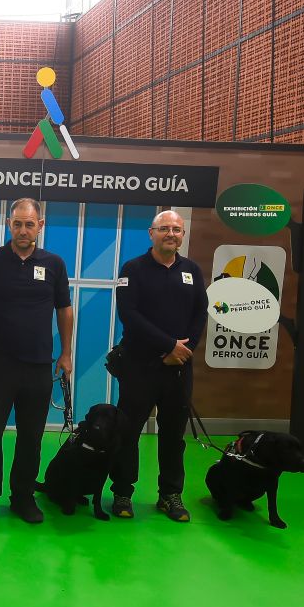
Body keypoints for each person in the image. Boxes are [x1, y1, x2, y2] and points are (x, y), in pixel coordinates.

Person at [0, 198, 74, 524]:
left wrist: (67, 353)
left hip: (38, 365)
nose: (23, 230)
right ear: (8, 224)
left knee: (31, 436)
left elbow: (64, 309)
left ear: (40, 226)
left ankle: (23, 497)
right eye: (17, 224)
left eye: (30, 224)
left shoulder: (54, 264)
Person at [110, 209, 208, 522]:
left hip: (179, 368)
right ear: (151, 233)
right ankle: (123, 491)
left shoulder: (191, 270)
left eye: (176, 230)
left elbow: (199, 315)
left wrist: (184, 350)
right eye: (164, 228)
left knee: (173, 436)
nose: (171, 234)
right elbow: (129, 314)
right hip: (140, 367)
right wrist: (168, 346)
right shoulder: (133, 269)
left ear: (182, 235)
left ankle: (170, 495)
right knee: (128, 433)